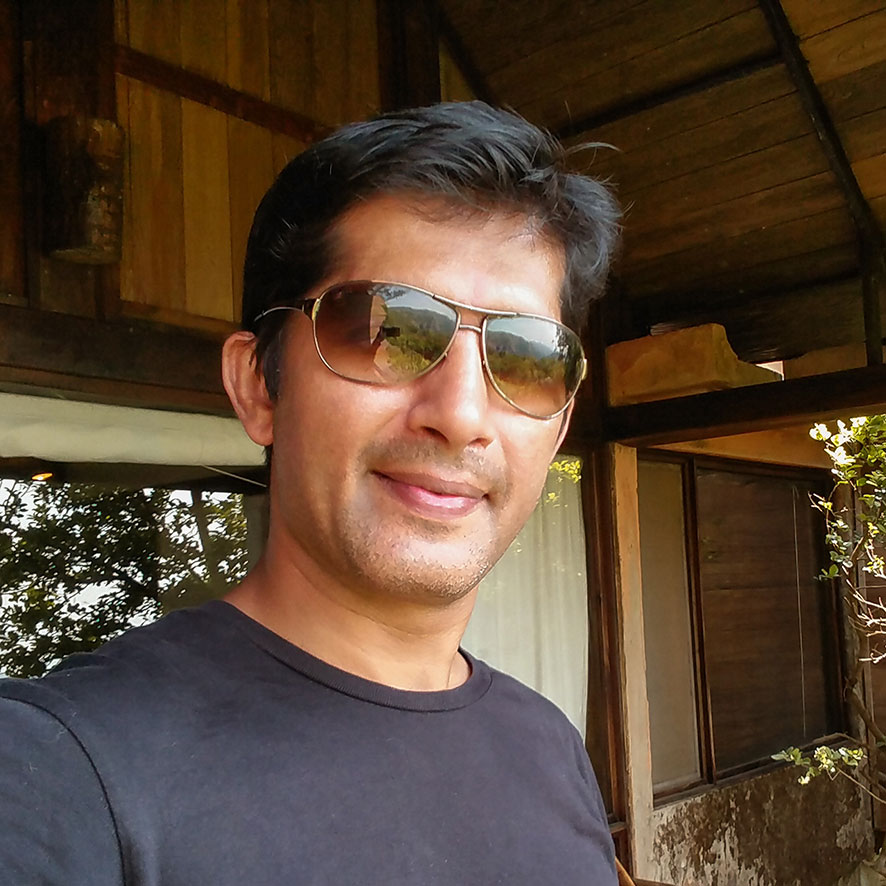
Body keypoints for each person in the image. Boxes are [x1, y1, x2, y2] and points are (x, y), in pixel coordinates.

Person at [0, 101, 620, 884]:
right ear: (259, 385)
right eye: (388, 330)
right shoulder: (59, 772)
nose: (461, 416)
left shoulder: (549, 746)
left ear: (558, 427)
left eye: (527, 357)